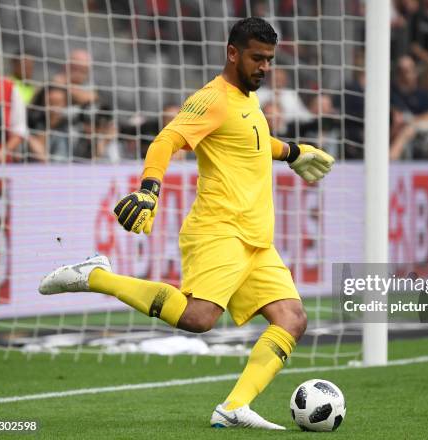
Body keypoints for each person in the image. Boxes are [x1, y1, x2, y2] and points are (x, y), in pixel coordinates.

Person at [38, 18, 334, 430]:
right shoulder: (212, 98)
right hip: (219, 229)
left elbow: (251, 140)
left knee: (292, 319)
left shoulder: (247, 99)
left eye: (269, 59)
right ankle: (96, 276)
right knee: (198, 318)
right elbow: (167, 139)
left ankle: (234, 407)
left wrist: (293, 151)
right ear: (233, 53)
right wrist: (149, 189)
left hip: (256, 239)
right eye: (256, 58)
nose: (264, 67)